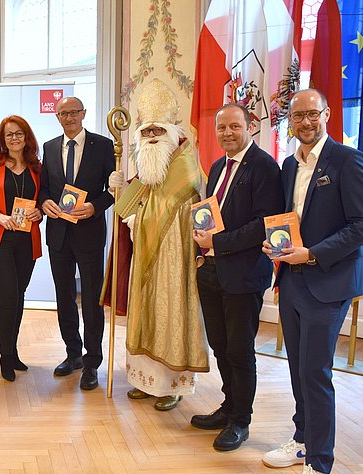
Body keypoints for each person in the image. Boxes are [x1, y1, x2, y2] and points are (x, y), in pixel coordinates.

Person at [260, 89, 363, 474]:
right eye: (297, 116)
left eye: (312, 114)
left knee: (315, 373)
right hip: (292, 279)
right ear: (290, 121)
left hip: (329, 280)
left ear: (327, 113)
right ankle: (303, 440)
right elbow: (289, 219)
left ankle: (320, 465)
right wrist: (277, 246)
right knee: (297, 368)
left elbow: (359, 226)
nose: (305, 122)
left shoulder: (347, 160)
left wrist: (313, 254)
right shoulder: (289, 165)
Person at [190, 103, 284, 451]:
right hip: (211, 269)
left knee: (240, 350)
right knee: (220, 345)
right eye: (222, 128)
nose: (227, 133)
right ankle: (228, 407)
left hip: (243, 275)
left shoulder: (265, 167)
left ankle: (240, 421)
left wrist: (218, 241)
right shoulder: (217, 167)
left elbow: (263, 223)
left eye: (234, 126)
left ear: (250, 126)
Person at [111, 79, 208, 410]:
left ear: (171, 132)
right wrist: (120, 190)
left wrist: (137, 220)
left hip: (174, 261)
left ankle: (172, 386)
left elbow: (169, 213)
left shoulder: (185, 169)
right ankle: (145, 382)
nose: (151, 137)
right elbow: (137, 203)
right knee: (145, 314)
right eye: (146, 132)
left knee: (170, 317)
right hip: (146, 255)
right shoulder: (149, 167)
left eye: (157, 132)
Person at [39, 96, 114, 391]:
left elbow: (112, 190)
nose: (69, 117)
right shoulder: (49, 147)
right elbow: (44, 186)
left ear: (84, 113)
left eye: (73, 112)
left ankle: (92, 362)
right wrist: (44, 202)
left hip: (90, 233)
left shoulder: (104, 145)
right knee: (64, 297)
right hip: (58, 234)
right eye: (63, 113)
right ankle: (73, 354)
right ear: (57, 117)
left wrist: (95, 207)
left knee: (93, 300)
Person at [0, 115, 43, 381]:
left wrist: (39, 212)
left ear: (27, 138)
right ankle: (4, 356)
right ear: (2, 139)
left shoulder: (37, 167)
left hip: (26, 240)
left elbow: (42, 199)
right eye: (9, 134)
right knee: (9, 296)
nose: (14, 138)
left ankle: (13, 352)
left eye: (19, 134)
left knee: (19, 296)